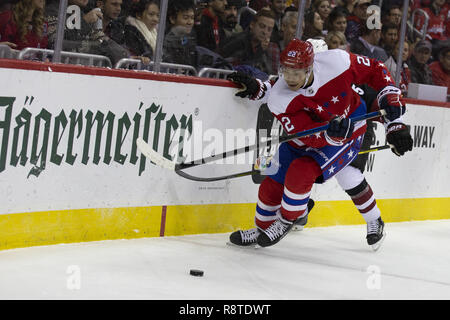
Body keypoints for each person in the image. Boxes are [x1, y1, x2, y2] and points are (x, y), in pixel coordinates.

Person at [226, 38, 413, 249]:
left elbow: (378, 80)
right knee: (272, 179)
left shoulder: (338, 63)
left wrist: (395, 124)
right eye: (286, 71)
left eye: (296, 73)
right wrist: (260, 88)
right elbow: (304, 131)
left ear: (312, 65)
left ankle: (292, 218)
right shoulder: (280, 97)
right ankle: (265, 226)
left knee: (331, 174)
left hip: (349, 129)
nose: (290, 78)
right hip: (313, 135)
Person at [221, 8, 276, 76]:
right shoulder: (238, 42)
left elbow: (268, 73)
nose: (265, 32)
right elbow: (246, 69)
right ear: (252, 25)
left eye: (269, 29)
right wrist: (260, 51)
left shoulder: (265, 46)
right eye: (262, 26)